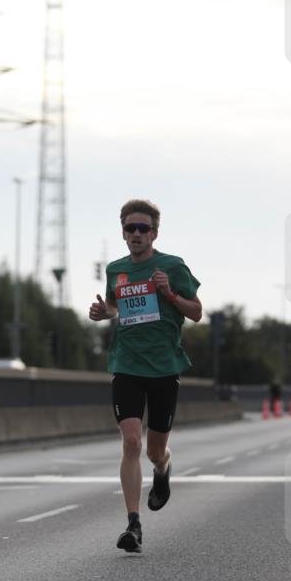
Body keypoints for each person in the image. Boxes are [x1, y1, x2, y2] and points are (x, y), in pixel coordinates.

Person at [88, 199, 202, 553]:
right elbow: (115, 306)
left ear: (154, 232)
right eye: (130, 228)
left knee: (154, 450)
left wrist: (169, 293)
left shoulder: (172, 266)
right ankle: (133, 524)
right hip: (126, 364)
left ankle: (164, 467)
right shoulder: (116, 270)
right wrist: (102, 312)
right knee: (131, 442)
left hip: (165, 367)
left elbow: (196, 312)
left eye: (143, 229)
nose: (136, 234)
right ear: (123, 232)